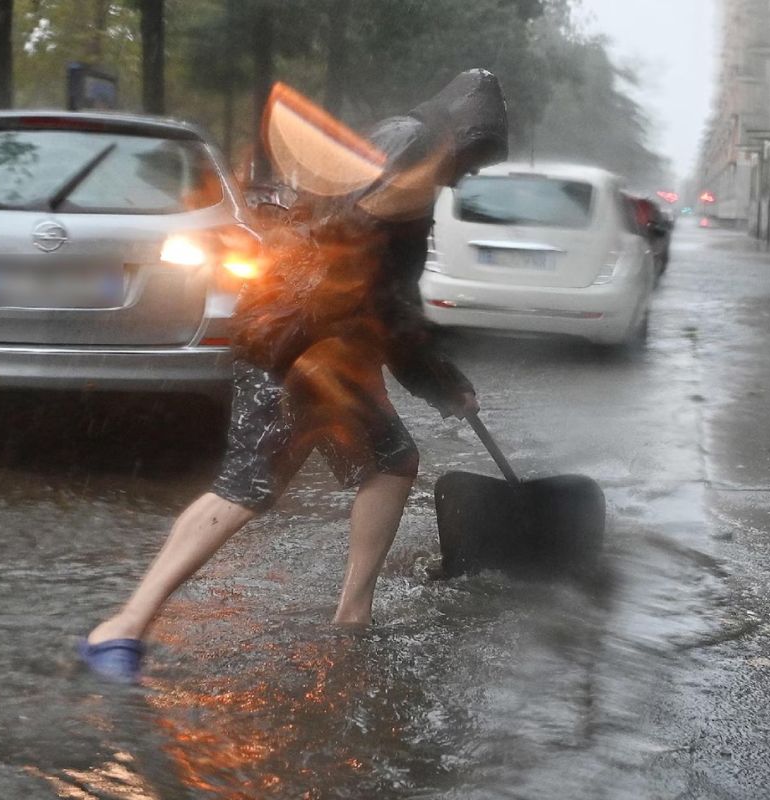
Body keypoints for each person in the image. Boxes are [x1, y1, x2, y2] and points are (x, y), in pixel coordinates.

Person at [79, 70, 509, 681]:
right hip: (300, 340)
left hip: (319, 338)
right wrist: (438, 381)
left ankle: (352, 614)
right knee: (247, 486)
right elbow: (379, 289)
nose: (466, 175)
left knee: (389, 460)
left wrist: (433, 373)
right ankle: (121, 629)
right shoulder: (414, 158)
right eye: (473, 160)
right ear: (463, 137)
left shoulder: (403, 143)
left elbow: (374, 283)